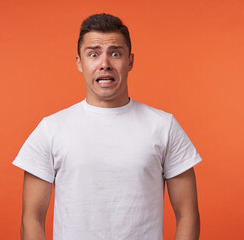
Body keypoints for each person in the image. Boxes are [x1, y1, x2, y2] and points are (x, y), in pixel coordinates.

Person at [13, 13, 202, 240]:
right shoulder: (50, 129)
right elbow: (31, 218)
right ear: (79, 63)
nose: (105, 64)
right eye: (93, 54)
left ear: (130, 61)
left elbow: (187, 215)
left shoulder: (164, 126)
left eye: (115, 53)